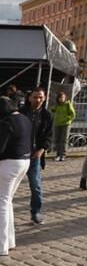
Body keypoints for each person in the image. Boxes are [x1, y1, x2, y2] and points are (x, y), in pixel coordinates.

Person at [0, 97, 32, 256]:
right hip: (24, 161)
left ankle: (1, 246)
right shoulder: (25, 118)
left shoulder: (7, 122)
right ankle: (9, 241)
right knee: (7, 201)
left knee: (2, 202)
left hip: (9, 163)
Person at [20, 87, 52, 225]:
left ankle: (36, 212)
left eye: (40, 97)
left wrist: (41, 150)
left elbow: (48, 136)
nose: (38, 100)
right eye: (35, 97)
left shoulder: (47, 115)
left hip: (35, 156)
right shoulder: (21, 113)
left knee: (36, 186)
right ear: (29, 98)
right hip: (19, 155)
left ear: (44, 98)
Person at [51, 91, 76, 161]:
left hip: (65, 124)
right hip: (57, 124)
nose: (61, 99)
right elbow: (52, 110)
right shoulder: (57, 105)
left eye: (63, 97)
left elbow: (73, 114)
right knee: (57, 140)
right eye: (60, 97)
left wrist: (68, 120)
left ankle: (63, 155)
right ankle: (58, 155)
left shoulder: (68, 104)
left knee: (63, 140)